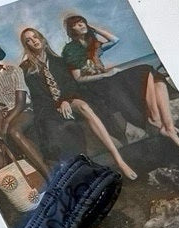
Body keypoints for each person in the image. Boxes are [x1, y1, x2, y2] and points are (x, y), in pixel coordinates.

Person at [19, 26, 137, 181]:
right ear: (26, 45)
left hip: (68, 99)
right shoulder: (26, 68)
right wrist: (57, 105)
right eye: (28, 40)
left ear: (41, 38)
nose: (33, 41)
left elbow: (70, 84)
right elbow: (37, 96)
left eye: (35, 36)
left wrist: (64, 101)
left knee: (84, 106)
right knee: (53, 134)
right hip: (49, 107)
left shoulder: (59, 61)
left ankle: (119, 160)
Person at [61, 14, 179, 153]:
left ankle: (168, 126)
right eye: (77, 24)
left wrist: (93, 28)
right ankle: (156, 121)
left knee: (150, 73)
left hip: (106, 79)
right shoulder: (71, 50)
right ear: (71, 30)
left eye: (82, 22)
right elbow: (78, 78)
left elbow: (115, 40)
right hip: (93, 86)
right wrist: (105, 74)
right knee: (144, 72)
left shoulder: (92, 44)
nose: (81, 25)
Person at [0, 37, 50, 177]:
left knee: (13, 131)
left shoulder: (13, 71)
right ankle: (17, 176)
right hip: (5, 115)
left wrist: (5, 124)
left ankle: (48, 173)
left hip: (25, 110)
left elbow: (21, 103)